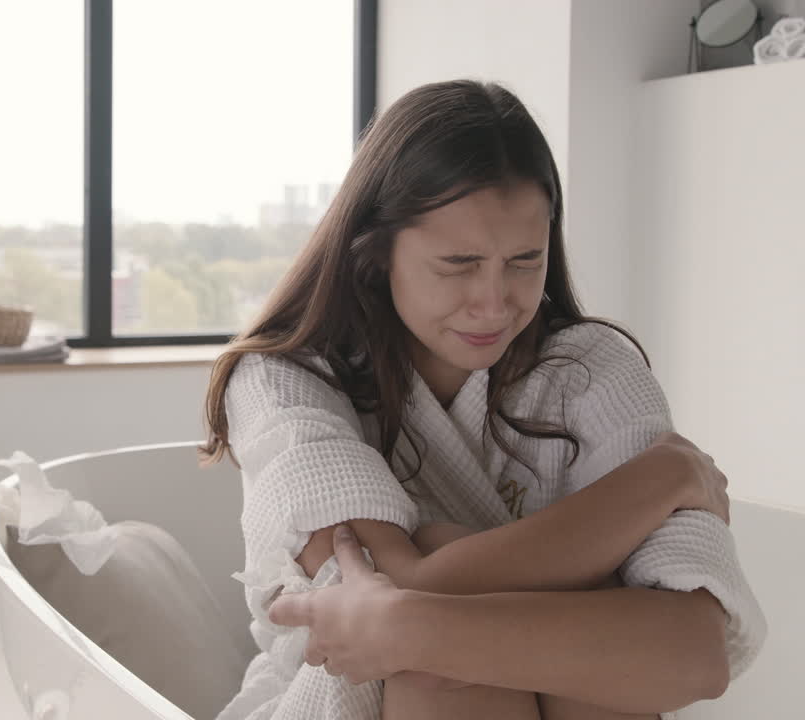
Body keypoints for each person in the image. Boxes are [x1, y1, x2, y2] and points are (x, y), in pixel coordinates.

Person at [200, 79, 766, 720]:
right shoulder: (282, 379)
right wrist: (657, 482)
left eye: (525, 260)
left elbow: (695, 657)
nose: (495, 303)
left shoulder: (593, 369)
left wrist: (419, 611)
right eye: (459, 263)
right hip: (343, 700)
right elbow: (372, 607)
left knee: (570, 676)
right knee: (452, 672)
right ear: (375, 250)